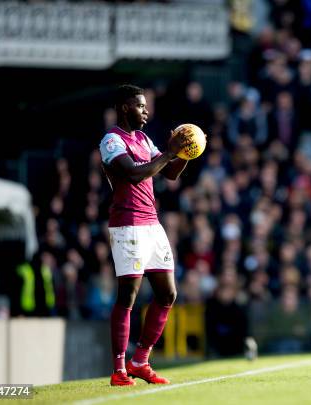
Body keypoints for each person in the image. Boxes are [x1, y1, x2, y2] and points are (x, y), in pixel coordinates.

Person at [99, 84, 191, 386]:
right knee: (128, 296)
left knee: (167, 294)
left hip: (152, 223)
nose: (146, 111)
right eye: (141, 106)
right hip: (128, 224)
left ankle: (140, 361)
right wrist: (168, 153)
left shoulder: (143, 138)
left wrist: (186, 151)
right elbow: (134, 173)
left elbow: (170, 173)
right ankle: (119, 369)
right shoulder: (112, 140)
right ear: (126, 107)